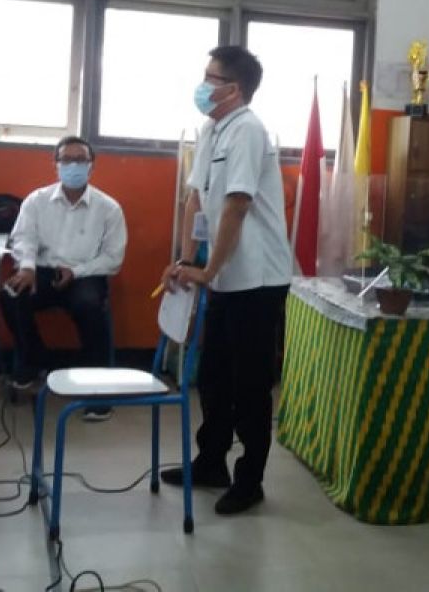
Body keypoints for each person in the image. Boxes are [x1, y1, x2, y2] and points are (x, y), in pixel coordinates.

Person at [158, 45, 292, 516]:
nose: (202, 84)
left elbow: (236, 205)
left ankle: (249, 479)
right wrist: (183, 260)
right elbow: (197, 199)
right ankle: (210, 460)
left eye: (210, 77)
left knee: (250, 384)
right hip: (224, 276)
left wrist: (208, 270)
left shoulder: (249, 132)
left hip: (257, 278)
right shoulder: (212, 128)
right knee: (213, 376)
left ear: (233, 89)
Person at [1, 135, 127, 421]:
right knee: (11, 294)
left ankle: (99, 391)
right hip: (42, 270)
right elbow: (23, 238)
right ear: (55, 165)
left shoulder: (108, 208)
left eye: (80, 160)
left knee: (90, 306)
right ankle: (35, 362)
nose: (74, 165)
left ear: (92, 166)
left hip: (86, 274)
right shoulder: (37, 200)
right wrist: (27, 267)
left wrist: (77, 272)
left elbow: (113, 258)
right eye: (67, 160)